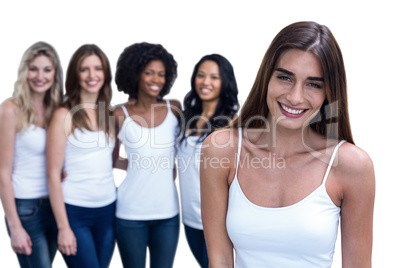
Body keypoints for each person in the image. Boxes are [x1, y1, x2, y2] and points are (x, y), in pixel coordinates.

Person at [200, 21, 375, 267]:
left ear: (329, 92)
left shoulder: (351, 165)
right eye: (285, 77)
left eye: (314, 84)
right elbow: (219, 260)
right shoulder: (221, 150)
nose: (295, 97)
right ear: (266, 78)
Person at [46, 44, 116, 268]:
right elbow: (52, 175)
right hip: (75, 211)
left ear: (106, 73)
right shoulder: (63, 115)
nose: (92, 75)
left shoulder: (108, 112)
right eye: (84, 69)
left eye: (98, 68)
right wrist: (63, 228)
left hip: (108, 209)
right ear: (75, 74)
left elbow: (106, 158)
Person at [113, 42, 182, 268]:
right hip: (130, 213)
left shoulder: (174, 108)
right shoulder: (120, 114)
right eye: (149, 73)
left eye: (161, 74)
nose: (156, 80)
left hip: (168, 213)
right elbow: (111, 159)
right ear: (136, 74)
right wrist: (139, 164)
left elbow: (181, 151)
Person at [0, 41, 63, 267]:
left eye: (47, 69)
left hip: (57, 206)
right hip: (26, 209)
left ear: (55, 74)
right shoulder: (10, 109)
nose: (40, 76)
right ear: (24, 71)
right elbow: (3, 173)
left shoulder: (59, 109)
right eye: (33, 68)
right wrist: (14, 226)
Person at [177, 54, 239, 268]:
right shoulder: (185, 117)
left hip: (220, 221)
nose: (206, 82)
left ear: (225, 82)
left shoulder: (234, 122)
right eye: (201, 75)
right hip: (191, 218)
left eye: (214, 77)